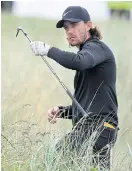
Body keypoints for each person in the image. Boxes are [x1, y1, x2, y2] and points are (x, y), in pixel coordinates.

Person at [30, 6, 119, 170]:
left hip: (98, 128)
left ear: (88, 25)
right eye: (66, 27)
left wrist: (49, 50)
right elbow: (89, 105)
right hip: (100, 130)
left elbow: (79, 61)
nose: (69, 31)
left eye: (74, 25)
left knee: (57, 156)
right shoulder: (90, 54)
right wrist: (62, 111)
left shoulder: (96, 48)